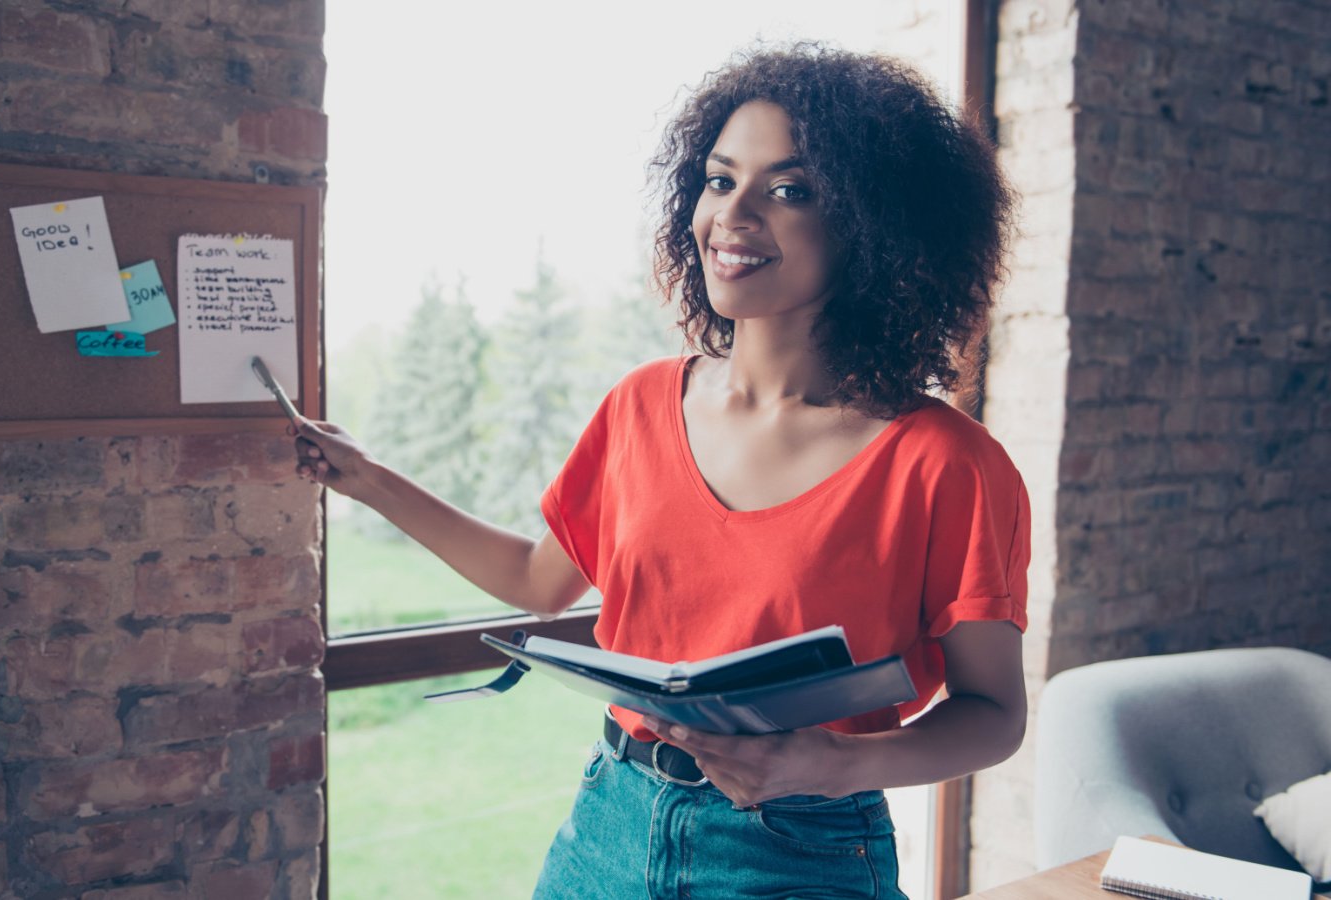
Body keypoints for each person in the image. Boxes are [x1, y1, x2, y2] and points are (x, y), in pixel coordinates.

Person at [293, 42, 1028, 900]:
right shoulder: (641, 405)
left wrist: (832, 761)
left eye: (789, 190)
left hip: (798, 850)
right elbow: (537, 581)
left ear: (875, 227)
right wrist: (367, 477)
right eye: (721, 180)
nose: (734, 215)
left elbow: (995, 715)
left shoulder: (946, 465)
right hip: (608, 824)